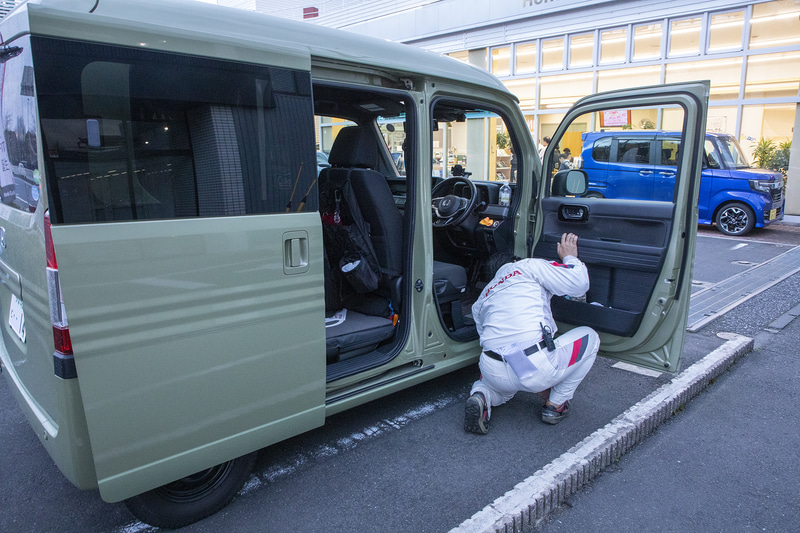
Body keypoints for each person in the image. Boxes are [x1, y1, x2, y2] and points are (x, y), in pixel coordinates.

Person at [464, 233, 600, 434]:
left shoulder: (483, 297)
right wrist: (570, 257)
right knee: (590, 337)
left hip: (491, 367)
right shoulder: (526, 266)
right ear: (515, 261)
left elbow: (485, 333)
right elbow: (578, 284)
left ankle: (482, 396)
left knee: (498, 389)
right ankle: (556, 405)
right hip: (533, 365)